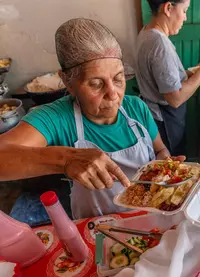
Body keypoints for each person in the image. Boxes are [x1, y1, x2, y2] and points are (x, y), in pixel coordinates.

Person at [0, 18, 180, 220]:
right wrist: (66, 159)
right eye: (96, 84)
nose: (113, 94)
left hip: (152, 219)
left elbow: (160, 150)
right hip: (97, 233)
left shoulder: (137, 108)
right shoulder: (58, 118)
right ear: (68, 82)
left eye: (119, 78)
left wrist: (167, 167)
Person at [135, 0, 200, 155]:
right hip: (164, 120)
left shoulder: (147, 31)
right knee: (173, 164)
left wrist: (197, 70)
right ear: (168, 8)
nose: (185, 18)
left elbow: (165, 77)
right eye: (185, 10)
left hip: (156, 115)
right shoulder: (159, 43)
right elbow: (175, 98)